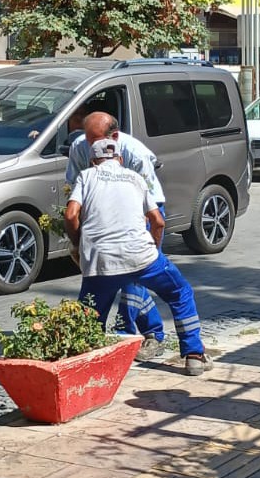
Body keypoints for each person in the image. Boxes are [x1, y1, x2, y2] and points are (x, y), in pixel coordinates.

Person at [65, 139, 212, 376]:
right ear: (120, 160)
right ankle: (194, 355)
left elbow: (71, 214)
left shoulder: (86, 176)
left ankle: (88, 369)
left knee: (90, 316)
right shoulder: (136, 178)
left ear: (93, 161)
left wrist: (77, 243)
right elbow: (158, 221)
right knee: (180, 292)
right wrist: (153, 247)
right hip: (141, 256)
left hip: (100, 260)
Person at [66, 112, 167, 358]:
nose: (91, 146)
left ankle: (149, 335)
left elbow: (147, 207)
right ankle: (92, 336)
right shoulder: (80, 148)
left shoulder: (134, 153)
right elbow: (74, 194)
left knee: (133, 276)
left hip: (143, 210)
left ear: (114, 137)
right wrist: (79, 242)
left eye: (96, 140)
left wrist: (145, 246)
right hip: (104, 213)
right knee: (100, 278)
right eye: (88, 139)